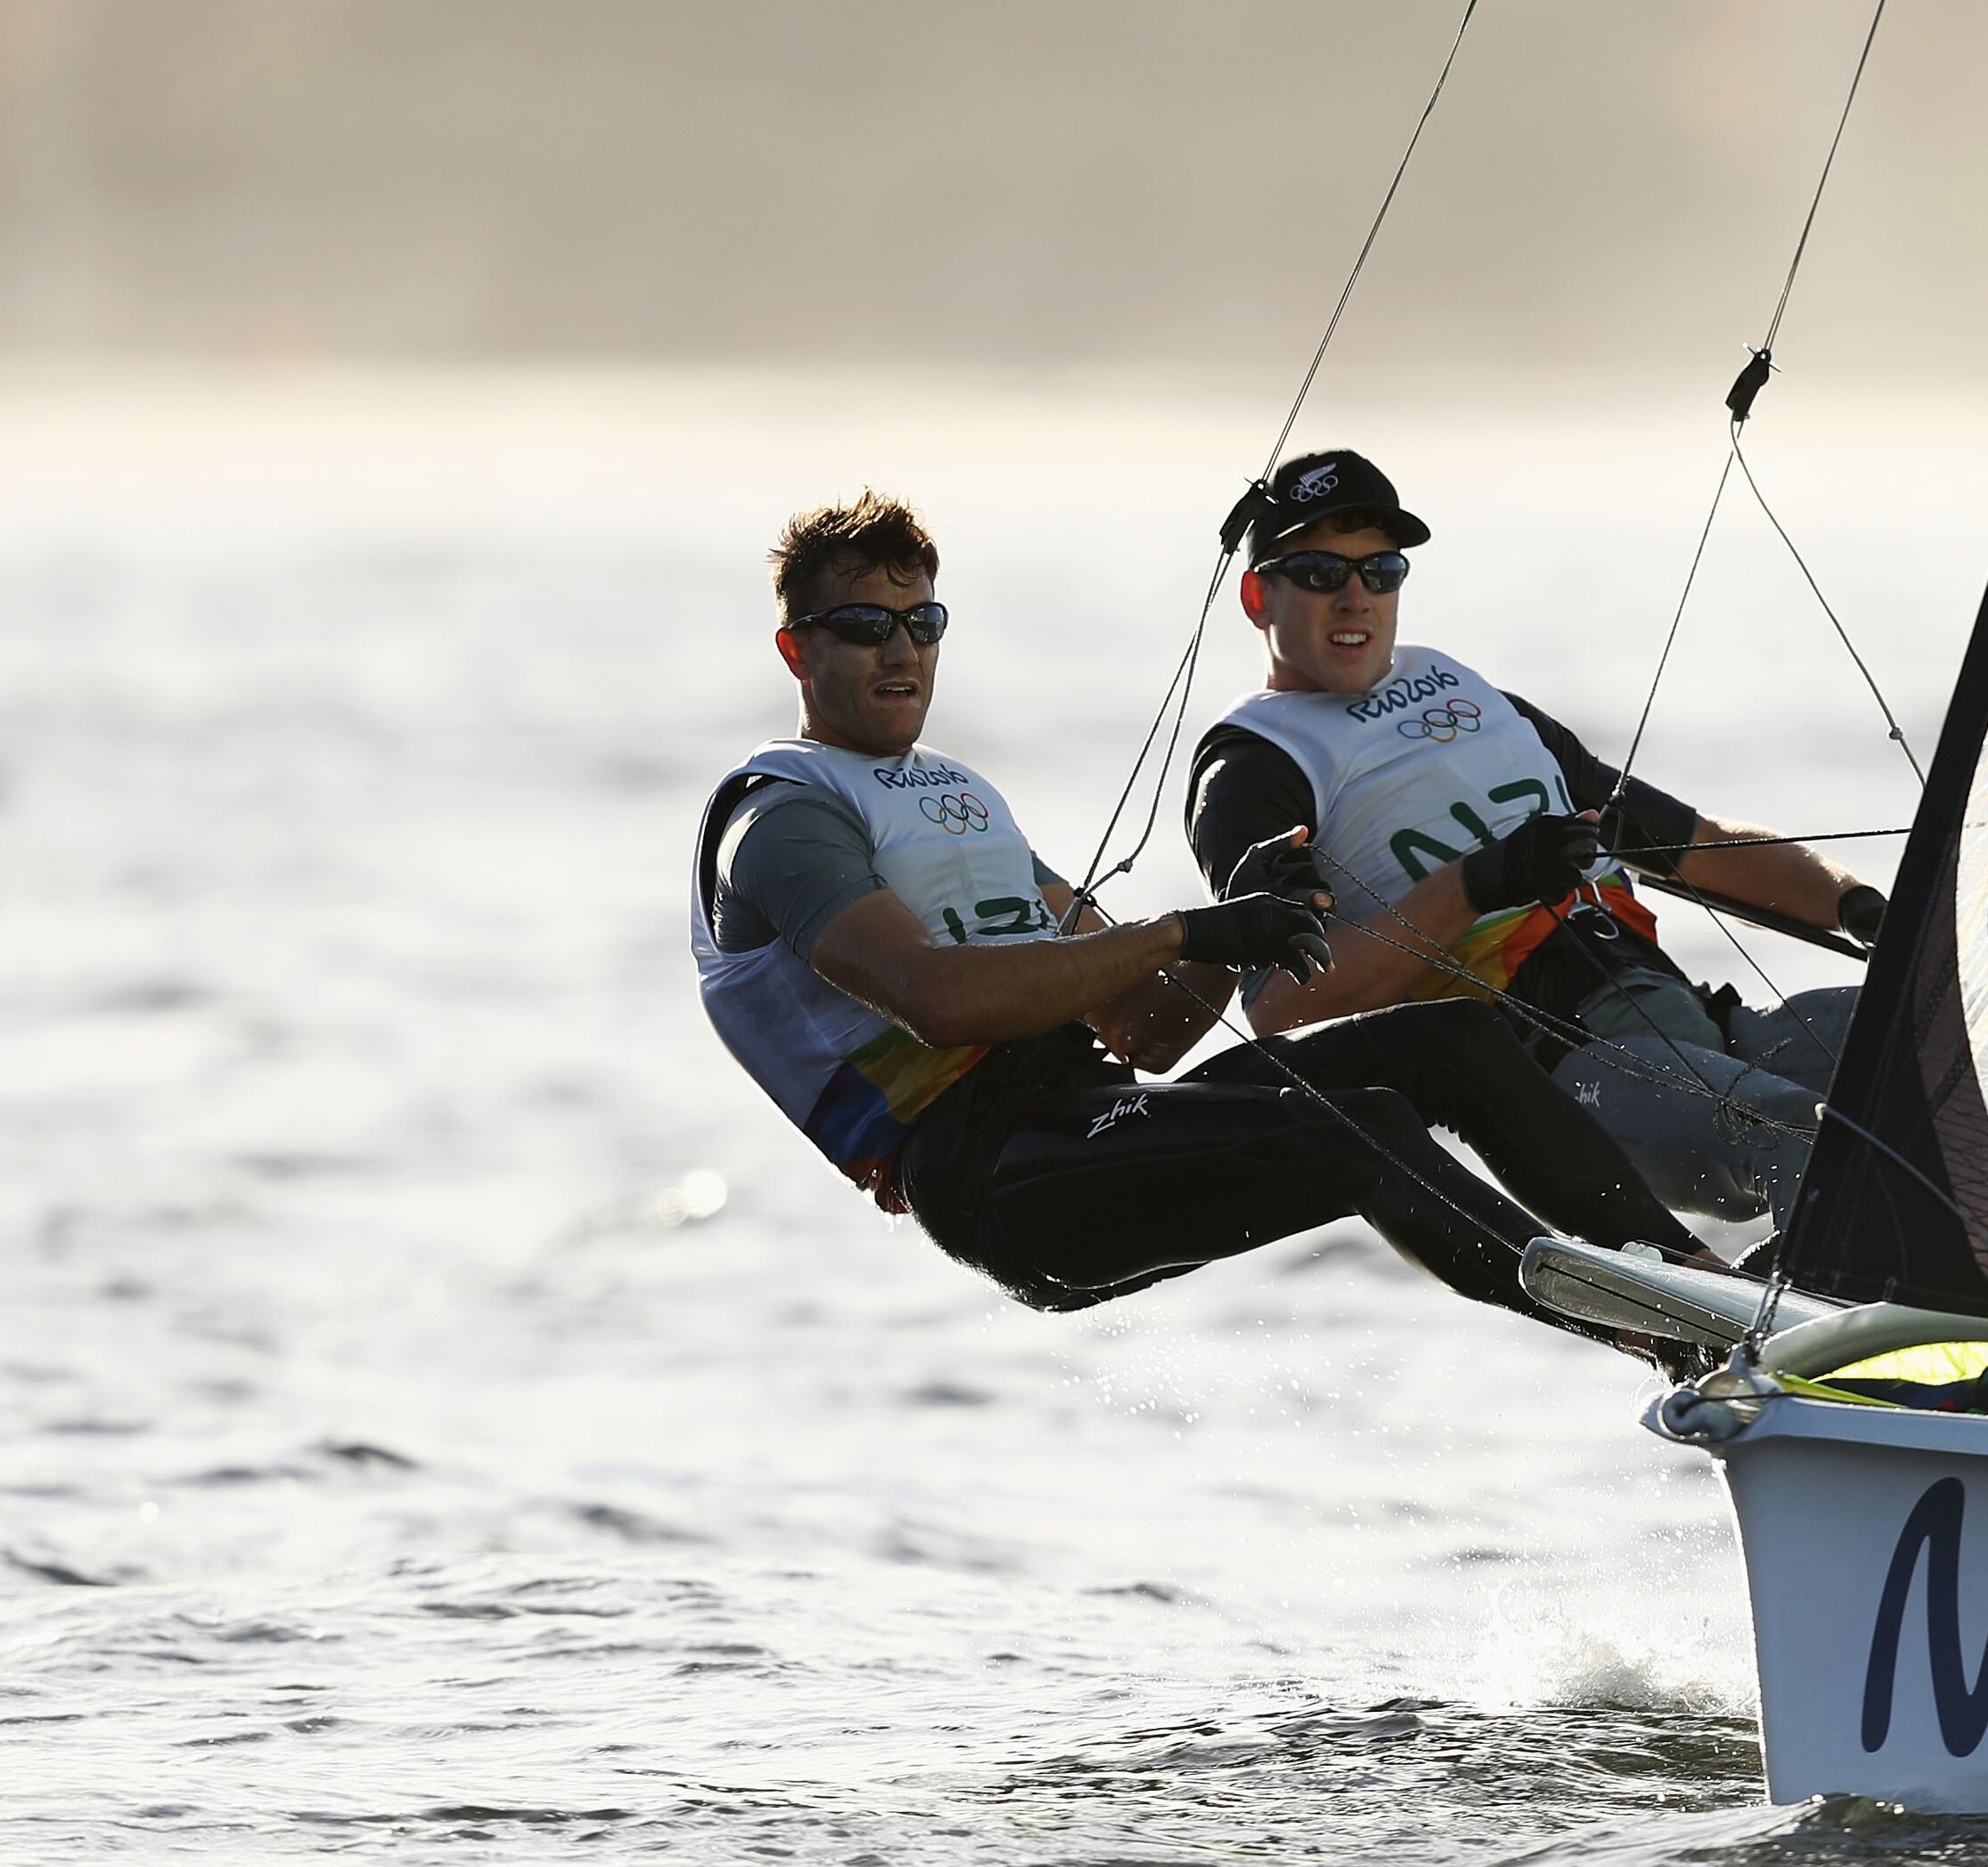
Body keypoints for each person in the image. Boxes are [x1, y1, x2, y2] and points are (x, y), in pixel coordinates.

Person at [690, 490, 1711, 1337]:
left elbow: (1147, 1029)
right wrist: (1187, 930)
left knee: (1446, 1037)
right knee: (1363, 1128)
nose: (901, 651)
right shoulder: (779, 822)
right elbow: (937, 1000)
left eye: (922, 623)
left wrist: (1251, 915)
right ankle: (1656, 1329)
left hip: (1088, 1111)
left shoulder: (956, 796)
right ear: (796, 650)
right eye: (866, 629)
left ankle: (1696, 1275)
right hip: (997, 1173)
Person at [1183, 449, 1887, 1229]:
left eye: (1380, 572)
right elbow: (1282, 1007)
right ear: (1258, 595)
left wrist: (1858, 905)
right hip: (1569, 1074)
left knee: (1966, 1027)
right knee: (1813, 1140)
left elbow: (1700, 845)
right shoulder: (1253, 768)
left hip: (1695, 1019)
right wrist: (1476, 885)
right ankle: (1864, 1321)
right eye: (1319, 571)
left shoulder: (1476, 698)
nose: (1355, 597)